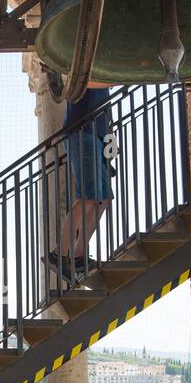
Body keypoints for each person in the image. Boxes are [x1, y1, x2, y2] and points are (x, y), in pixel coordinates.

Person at [54, 82, 115, 278]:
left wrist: (110, 155)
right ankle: (59, 254)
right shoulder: (87, 70)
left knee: (103, 200)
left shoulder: (105, 82)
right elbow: (85, 83)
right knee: (88, 197)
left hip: (98, 138)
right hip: (82, 131)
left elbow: (107, 121)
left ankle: (79, 256)